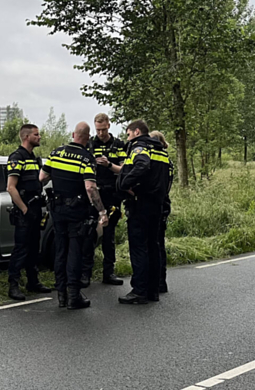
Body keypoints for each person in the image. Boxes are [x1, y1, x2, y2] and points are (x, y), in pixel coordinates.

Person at [40, 122, 109, 310]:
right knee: (74, 252)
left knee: (60, 250)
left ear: (73, 134)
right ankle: (73, 296)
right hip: (76, 212)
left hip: (57, 210)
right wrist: (102, 211)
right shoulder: (86, 158)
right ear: (87, 138)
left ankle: (61, 295)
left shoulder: (56, 153)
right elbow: (90, 187)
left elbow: (42, 178)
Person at [117, 119, 170, 304]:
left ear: (137, 131)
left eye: (128, 134)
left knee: (139, 248)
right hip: (157, 205)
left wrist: (125, 183)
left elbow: (142, 165)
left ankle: (139, 291)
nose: (128, 137)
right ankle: (152, 291)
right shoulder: (161, 151)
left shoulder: (140, 147)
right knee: (153, 247)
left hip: (140, 204)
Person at [6, 124, 52, 301]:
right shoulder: (17, 157)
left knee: (34, 248)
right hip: (24, 211)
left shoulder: (34, 158)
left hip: (35, 209)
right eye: (36, 134)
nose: (39, 137)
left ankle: (33, 282)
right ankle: (13, 285)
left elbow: (37, 182)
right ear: (26, 137)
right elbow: (11, 188)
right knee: (21, 249)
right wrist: (24, 209)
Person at [82, 113, 127, 286]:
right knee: (89, 233)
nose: (100, 133)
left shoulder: (119, 145)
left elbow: (124, 170)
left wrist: (109, 165)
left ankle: (109, 272)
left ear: (109, 125)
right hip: (93, 194)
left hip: (112, 194)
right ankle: (85, 273)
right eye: (97, 130)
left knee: (109, 236)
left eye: (103, 129)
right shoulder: (90, 144)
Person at [149, 130, 174, 295]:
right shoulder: (168, 161)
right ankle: (161, 282)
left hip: (156, 204)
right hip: (165, 204)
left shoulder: (156, 160)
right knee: (160, 244)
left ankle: (155, 282)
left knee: (153, 244)